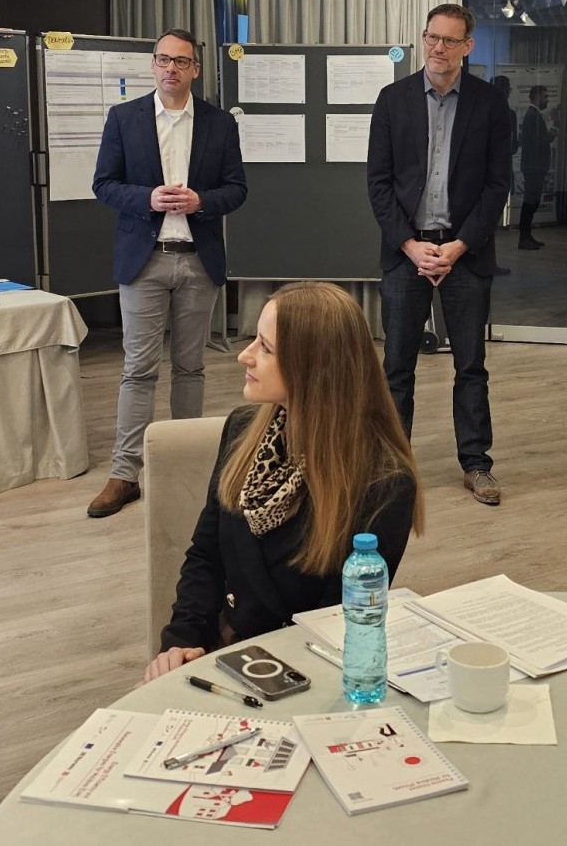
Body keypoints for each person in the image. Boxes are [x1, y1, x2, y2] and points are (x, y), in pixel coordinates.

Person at [143, 282, 424, 681]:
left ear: (315, 367)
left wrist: (250, 673)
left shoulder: (384, 482)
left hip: (299, 672)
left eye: (266, 348)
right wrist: (181, 642)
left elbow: (337, 623)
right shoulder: (243, 429)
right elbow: (206, 555)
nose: (244, 355)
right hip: (215, 649)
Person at [89, 28, 247, 519]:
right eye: (163, 60)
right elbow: (104, 184)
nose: (171, 68)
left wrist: (202, 201)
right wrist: (147, 198)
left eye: (181, 61)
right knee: (138, 370)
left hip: (198, 258)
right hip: (145, 259)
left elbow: (237, 188)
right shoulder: (124, 118)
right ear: (153, 65)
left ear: (195, 69)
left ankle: (185, 466)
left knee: (190, 368)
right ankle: (124, 474)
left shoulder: (219, 124)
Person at [367, 3, 512, 506]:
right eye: (432, 37)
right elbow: (378, 183)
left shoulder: (491, 104)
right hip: (406, 251)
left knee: (471, 366)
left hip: (464, 251)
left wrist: (458, 245)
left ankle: (476, 464)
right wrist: (410, 245)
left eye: (450, 40)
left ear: (467, 46)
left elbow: (497, 186)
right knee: (396, 367)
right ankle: (392, 465)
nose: (438, 48)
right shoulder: (393, 99)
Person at [516, 84, 554, 250]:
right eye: (545, 97)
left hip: (534, 166)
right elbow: (536, 142)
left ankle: (527, 235)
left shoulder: (534, 115)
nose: (547, 100)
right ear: (536, 97)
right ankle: (524, 237)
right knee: (530, 201)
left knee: (533, 201)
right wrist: (550, 136)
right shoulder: (533, 116)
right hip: (534, 166)